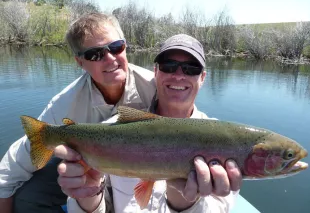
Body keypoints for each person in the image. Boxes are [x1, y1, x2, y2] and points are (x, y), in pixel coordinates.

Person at [55, 34, 242, 213]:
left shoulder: (225, 142)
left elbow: (219, 208)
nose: (178, 75)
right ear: (155, 72)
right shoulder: (113, 130)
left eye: (191, 68)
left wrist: (185, 204)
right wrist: (89, 193)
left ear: (202, 77)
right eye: (168, 66)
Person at [0, 13, 156, 213]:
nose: (110, 59)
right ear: (80, 62)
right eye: (95, 54)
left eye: (116, 47)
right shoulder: (64, 104)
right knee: (28, 196)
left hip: (141, 171)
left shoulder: (156, 88)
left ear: (125, 46)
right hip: (84, 176)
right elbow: (13, 167)